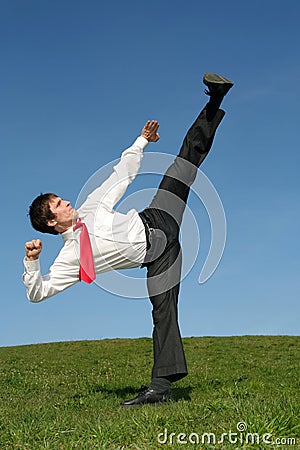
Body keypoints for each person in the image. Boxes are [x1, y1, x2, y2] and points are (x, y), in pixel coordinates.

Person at [23, 73, 234, 406]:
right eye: (59, 205)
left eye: (62, 198)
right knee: (163, 312)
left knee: (182, 164)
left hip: (156, 217)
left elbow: (122, 174)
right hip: (158, 255)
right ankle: (160, 390)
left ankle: (215, 99)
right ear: (51, 222)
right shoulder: (69, 258)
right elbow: (39, 293)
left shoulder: (92, 204)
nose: (67, 202)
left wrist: (141, 141)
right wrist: (32, 263)